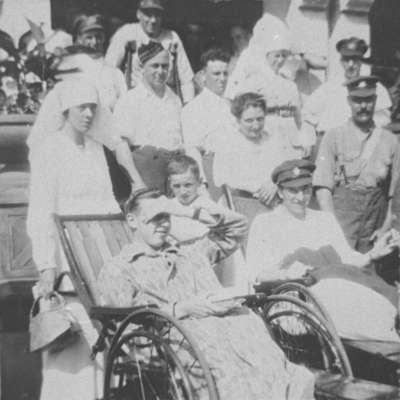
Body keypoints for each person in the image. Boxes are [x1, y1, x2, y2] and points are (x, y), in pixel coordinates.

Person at [97, 188, 315, 400]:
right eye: (154, 217)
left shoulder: (189, 254)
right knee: (229, 370)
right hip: (174, 337)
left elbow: (238, 228)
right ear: (133, 221)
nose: (163, 224)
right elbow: (124, 321)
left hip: (225, 328)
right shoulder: (120, 268)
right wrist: (181, 308)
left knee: (261, 348)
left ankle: (288, 389)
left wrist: (185, 211)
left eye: (166, 216)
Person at [27, 78, 122, 400]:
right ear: (65, 109)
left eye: (93, 107)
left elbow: (109, 201)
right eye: (82, 107)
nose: (88, 114)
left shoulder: (95, 149)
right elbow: (41, 210)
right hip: (65, 252)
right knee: (69, 338)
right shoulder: (49, 149)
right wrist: (46, 265)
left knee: (99, 340)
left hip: (96, 250)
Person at [247, 159, 400, 343]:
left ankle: (389, 337)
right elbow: (257, 274)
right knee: (358, 306)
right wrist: (287, 274)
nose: (300, 197)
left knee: (375, 300)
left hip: (337, 281)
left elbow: (347, 260)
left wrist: (374, 254)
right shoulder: (266, 223)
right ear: (280, 191)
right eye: (292, 190)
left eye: (305, 189)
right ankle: (389, 340)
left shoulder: (324, 219)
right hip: (298, 292)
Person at [313, 76, 398, 253]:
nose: (363, 106)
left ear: (375, 101)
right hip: (341, 219)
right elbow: (322, 187)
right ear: (349, 101)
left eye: (368, 100)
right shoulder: (333, 137)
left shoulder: (390, 141)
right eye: (358, 100)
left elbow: (395, 193)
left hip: (375, 221)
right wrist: (332, 228)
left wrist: (385, 228)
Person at [226, 33, 312, 158]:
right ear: (267, 56)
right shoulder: (253, 82)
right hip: (267, 135)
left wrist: (305, 139)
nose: (280, 59)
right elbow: (240, 110)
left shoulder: (289, 84)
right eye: (276, 55)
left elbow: (299, 117)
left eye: (283, 56)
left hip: (290, 137)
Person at [113, 41, 183, 191]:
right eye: (155, 65)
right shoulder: (129, 100)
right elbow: (121, 146)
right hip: (145, 173)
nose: (160, 71)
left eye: (165, 66)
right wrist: (136, 182)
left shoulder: (174, 100)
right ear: (142, 68)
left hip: (175, 174)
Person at [214, 92, 296, 205]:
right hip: (242, 203)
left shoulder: (273, 139)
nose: (256, 125)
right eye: (249, 120)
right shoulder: (228, 144)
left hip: (277, 201)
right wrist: (262, 188)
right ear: (237, 120)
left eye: (260, 119)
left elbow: (292, 167)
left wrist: (277, 183)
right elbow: (223, 181)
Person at [105, 0, 194, 103]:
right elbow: (109, 69)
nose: (153, 20)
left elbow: (186, 78)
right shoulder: (127, 32)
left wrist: (188, 106)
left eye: (157, 15)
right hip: (137, 98)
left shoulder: (172, 37)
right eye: (148, 14)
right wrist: (119, 99)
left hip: (166, 99)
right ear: (138, 14)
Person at [303, 37, 391, 136]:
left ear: (361, 61)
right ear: (341, 61)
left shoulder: (376, 88)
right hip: (332, 144)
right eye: (346, 60)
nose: (351, 64)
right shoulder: (329, 88)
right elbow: (307, 114)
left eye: (355, 59)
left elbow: (383, 123)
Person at [181, 48, 235, 185]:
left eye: (225, 74)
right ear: (203, 76)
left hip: (236, 171)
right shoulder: (193, 109)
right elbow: (192, 150)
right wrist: (202, 183)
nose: (222, 79)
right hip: (212, 175)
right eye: (216, 74)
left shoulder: (232, 106)